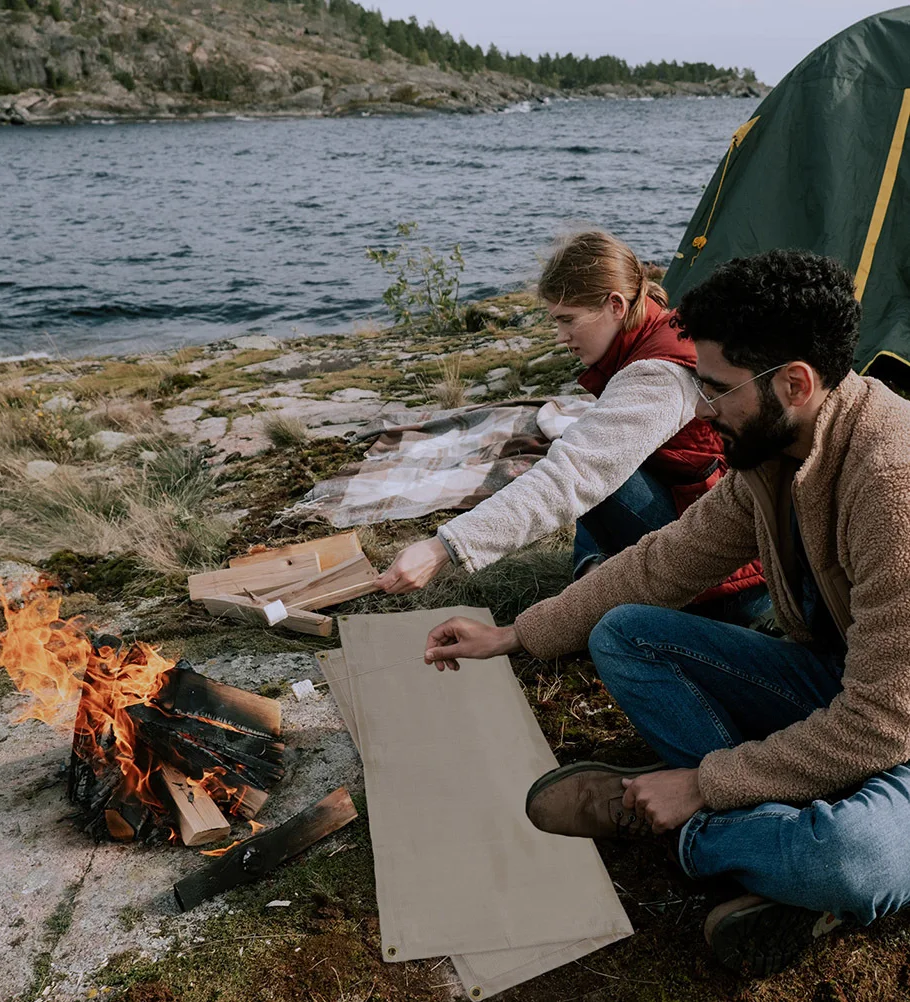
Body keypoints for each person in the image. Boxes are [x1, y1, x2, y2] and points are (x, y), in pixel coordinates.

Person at [421, 249, 910, 976]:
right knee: (625, 633)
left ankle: (693, 831)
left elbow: (883, 722)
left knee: (853, 858)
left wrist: (702, 784)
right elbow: (662, 562)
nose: (704, 409)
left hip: (894, 720)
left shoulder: (891, 481)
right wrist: (518, 634)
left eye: (715, 388)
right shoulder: (776, 450)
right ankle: (773, 837)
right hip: (840, 683)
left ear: (795, 383)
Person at [378, 230, 768, 626]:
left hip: (729, 585)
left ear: (615, 305)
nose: (561, 337)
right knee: (589, 446)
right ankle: (596, 573)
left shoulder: (659, 374)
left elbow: (574, 475)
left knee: (584, 464)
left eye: (568, 320)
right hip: (715, 536)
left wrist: (442, 548)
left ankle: (607, 584)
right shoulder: (658, 331)